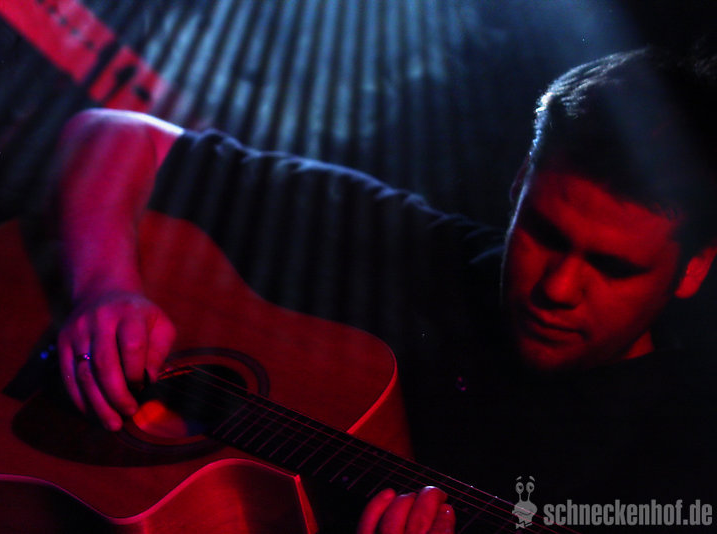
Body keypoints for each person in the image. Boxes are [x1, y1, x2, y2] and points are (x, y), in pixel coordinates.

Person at [49, 48, 717, 533]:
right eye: (543, 232)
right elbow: (113, 137)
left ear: (693, 269)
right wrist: (105, 291)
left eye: (613, 267)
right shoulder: (424, 254)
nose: (558, 288)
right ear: (519, 184)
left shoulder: (679, 469)